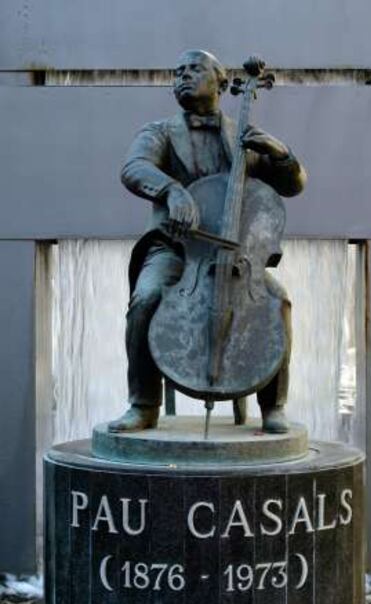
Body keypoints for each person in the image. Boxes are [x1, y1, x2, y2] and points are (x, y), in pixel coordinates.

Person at [108, 49, 307, 434]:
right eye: (177, 71)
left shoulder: (244, 138)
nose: (182, 76)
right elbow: (134, 167)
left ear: (220, 81)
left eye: (194, 69)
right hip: (176, 247)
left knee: (277, 300)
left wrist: (281, 154)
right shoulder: (161, 132)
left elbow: (293, 185)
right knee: (146, 297)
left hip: (234, 258)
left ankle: (274, 407)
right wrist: (170, 190)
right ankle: (143, 404)